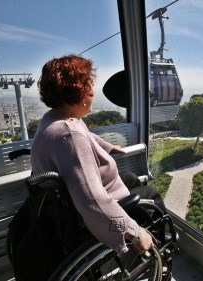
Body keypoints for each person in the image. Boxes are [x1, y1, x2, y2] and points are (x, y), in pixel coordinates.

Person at [31, 54, 165, 256]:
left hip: (64, 205)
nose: (93, 92)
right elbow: (92, 201)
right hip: (85, 214)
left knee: (129, 178)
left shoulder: (54, 120)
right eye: (89, 86)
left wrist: (109, 147)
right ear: (78, 91)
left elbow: (87, 135)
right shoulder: (69, 136)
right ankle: (161, 244)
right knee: (151, 193)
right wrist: (135, 232)